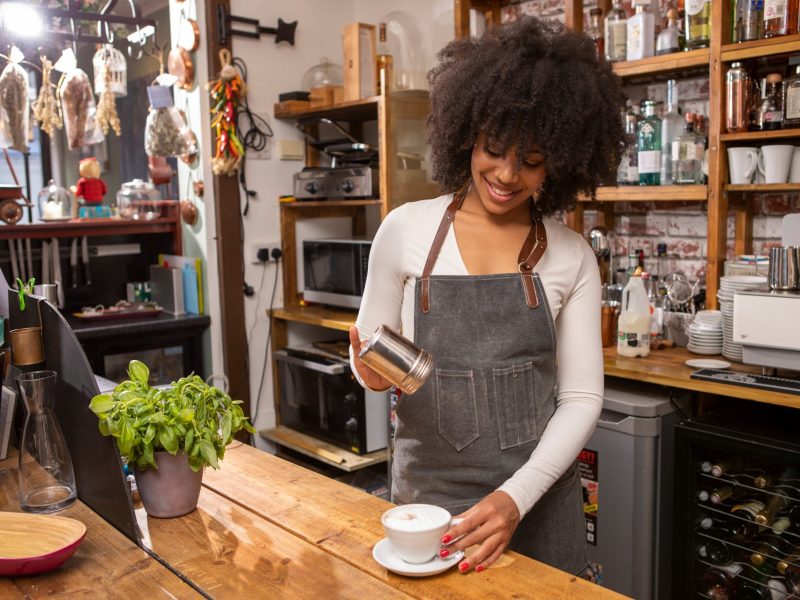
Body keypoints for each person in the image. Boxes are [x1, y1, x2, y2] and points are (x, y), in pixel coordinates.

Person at [349, 17, 626, 575]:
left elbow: (579, 399)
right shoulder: (405, 230)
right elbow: (372, 351)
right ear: (467, 133)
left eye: (530, 162)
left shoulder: (571, 256)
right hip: (428, 506)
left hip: (537, 504)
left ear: (561, 161)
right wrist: (369, 373)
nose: (505, 175)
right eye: (494, 150)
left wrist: (514, 499)